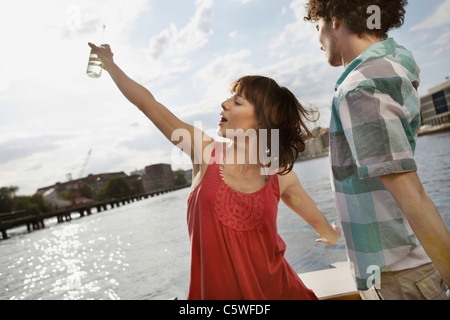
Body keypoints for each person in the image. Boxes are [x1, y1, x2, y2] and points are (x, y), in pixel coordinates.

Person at [88, 42, 341, 300]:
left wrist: (332, 236)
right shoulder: (203, 151)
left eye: (237, 101)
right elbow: (148, 104)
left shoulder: (280, 177)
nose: (224, 104)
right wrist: (111, 67)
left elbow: (315, 218)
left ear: (262, 121)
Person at [304, 0, 450, 300]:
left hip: (401, 276)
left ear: (334, 19)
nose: (317, 41)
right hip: (403, 266)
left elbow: (412, 195)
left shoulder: (360, 88)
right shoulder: (392, 64)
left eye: (317, 27)